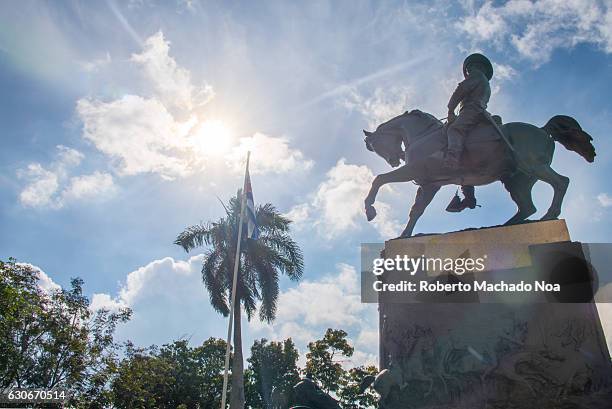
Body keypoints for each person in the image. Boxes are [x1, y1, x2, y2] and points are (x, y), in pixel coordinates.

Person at [444, 53, 494, 212]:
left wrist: (451, 109)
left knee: (454, 129)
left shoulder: (476, 75)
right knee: (466, 146)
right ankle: (468, 197)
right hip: (479, 112)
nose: (469, 69)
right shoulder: (485, 81)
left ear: (475, 66)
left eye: (470, 67)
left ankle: (452, 159)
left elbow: (461, 90)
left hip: (472, 110)